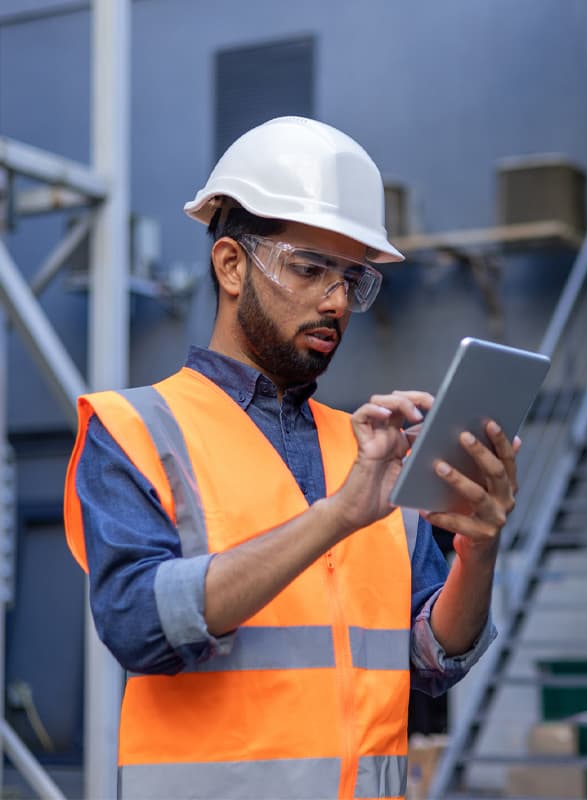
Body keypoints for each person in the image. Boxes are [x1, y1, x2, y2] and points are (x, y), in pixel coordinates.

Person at [63, 116, 521, 800]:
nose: (335, 300)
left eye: (353, 279)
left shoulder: (368, 453)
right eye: (309, 269)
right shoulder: (135, 430)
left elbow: (431, 659)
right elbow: (139, 626)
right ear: (230, 265)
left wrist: (477, 549)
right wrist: (336, 516)